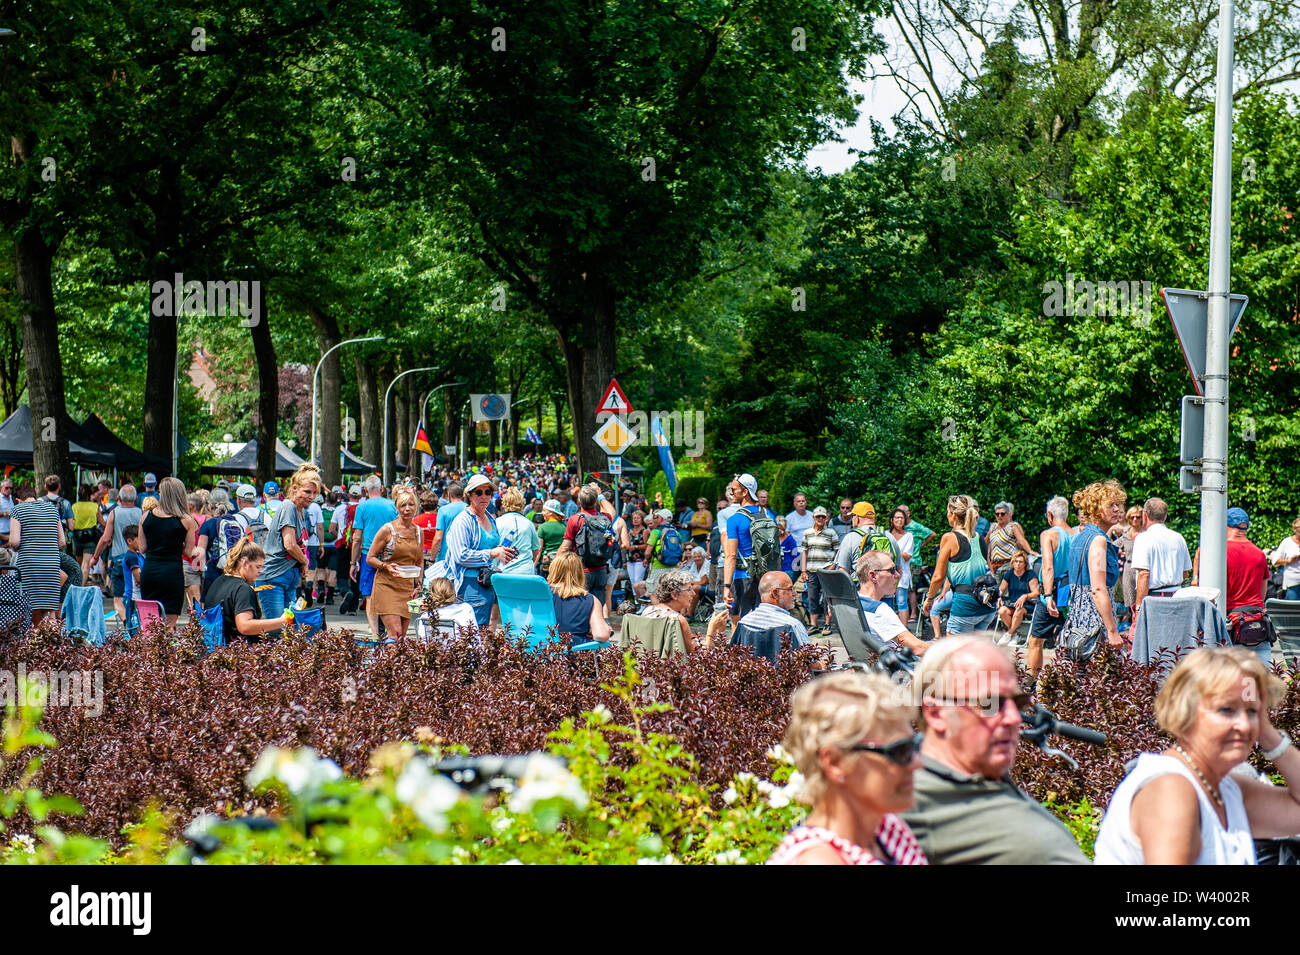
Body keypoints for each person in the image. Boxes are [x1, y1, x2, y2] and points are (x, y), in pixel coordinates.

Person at [1095, 647, 1300, 864]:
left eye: (1251, 712)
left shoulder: (1226, 789)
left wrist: (1267, 732)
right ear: (1186, 712)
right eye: (1226, 710)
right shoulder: (1171, 789)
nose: (1243, 724)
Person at [902, 635, 1089, 864]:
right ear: (936, 713)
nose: (1013, 718)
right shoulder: (901, 801)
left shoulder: (977, 772)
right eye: (991, 703)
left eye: (1018, 704)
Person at [769, 670, 927, 865]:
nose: (917, 762)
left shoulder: (885, 827)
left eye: (915, 744)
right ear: (835, 763)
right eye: (900, 751)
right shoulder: (818, 860)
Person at [432, 473, 517, 627]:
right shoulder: (463, 520)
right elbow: (460, 555)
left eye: (488, 492)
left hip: (486, 581)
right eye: (479, 492)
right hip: (469, 583)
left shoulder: (490, 518)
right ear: (469, 495)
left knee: (483, 630)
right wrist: (492, 553)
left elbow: (491, 547)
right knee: (473, 632)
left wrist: (502, 552)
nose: (484, 496)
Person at [1065, 479, 1126, 653]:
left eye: (1118, 504)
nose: (1117, 509)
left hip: (1077, 618)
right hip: (1095, 620)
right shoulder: (1098, 540)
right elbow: (1098, 589)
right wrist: (1112, 631)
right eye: (1111, 505)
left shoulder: (1080, 537)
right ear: (1096, 509)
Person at [921, 495, 995, 635]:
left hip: (965, 604)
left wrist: (929, 599)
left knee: (954, 652)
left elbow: (938, 576)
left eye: (947, 512)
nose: (947, 515)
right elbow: (988, 568)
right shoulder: (978, 537)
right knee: (975, 653)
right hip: (987, 604)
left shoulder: (949, 537)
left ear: (953, 514)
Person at [257, 465, 321, 624]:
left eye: (315, 492)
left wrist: (302, 563)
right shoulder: (288, 507)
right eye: (307, 491)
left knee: (289, 630)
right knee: (277, 628)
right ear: (295, 488)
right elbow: (290, 544)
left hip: (288, 576)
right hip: (273, 576)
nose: (311, 496)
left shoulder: (302, 511)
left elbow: (299, 545)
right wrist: (305, 561)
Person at [203, 537, 292, 645]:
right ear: (245, 563)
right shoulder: (243, 589)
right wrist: (281, 621)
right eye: (258, 567)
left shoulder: (218, 581)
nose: (260, 571)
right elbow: (244, 626)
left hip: (214, 646)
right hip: (238, 652)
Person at [1024, 495, 1076, 679]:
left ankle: (1031, 682)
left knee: (1036, 640)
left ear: (1050, 515)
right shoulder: (1077, 535)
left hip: (1052, 593)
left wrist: (1047, 596)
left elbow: (1047, 566)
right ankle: (1069, 681)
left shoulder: (1049, 535)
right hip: (1072, 594)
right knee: (1070, 639)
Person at [138, 477, 199, 627]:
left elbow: (142, 548)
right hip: (172, 573)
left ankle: (150, 651)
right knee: (169, 624)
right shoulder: (186, 520)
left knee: (150, 625)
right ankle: (167, 651)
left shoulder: (146, 516)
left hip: (150, 572)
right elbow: (188, 552)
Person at [366, 487, 424, 640]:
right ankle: (388, 663)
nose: (407, 509)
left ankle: (388, 663)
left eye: (411, 505)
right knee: (395, 634)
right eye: (403, 505)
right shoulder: (387, 529)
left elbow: (419, 560)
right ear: (397, 508)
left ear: (416, 506)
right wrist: (386, 566)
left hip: (407, 588)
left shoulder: (418, 531)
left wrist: (419, 583)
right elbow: (370, 558)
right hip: (387, 585)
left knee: (401, 637)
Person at [7, 484, 66, 626]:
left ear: (18, 500)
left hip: (29, 565)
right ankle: (52, 645)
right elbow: (62, 541)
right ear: (34, 496)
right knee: (50, 611)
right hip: (51, 565)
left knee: (27, 608)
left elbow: (14, 541)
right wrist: (47, 548)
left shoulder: (17, 510)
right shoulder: (52, 509)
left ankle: (30, 644)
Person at [350, 475, 399, 636]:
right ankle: (390, 629)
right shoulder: (392, 506)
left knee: (369, 594)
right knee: (390, 592)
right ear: (382, 488)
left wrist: (353, 561)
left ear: (365, 490)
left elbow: (357, 537)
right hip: (390, 554)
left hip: (368, 556)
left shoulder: (362, 508)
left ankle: (375, 632)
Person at [857, 550, 929, 656]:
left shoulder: (854, 603)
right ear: (873, 576)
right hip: (890, 669)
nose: (898, 574)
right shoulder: (879, 610)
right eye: (892, 570)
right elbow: (918, 648)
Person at [90, 484, 142, 624]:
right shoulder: (141, 513)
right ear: (136, 498)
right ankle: (137, 622)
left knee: (118, 599)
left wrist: (95, 558)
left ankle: (127, 622)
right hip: (138, 562)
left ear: (119, 498)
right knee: (137, 596)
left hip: (120, 561)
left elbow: (105, 538)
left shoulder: (115, 513)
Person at [1131, 497, 1191, 613]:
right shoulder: (1178, 537)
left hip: (1154, 599)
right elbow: (1185, 573)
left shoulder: (1143, 538)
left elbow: (1144, 574)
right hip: (1177, 597)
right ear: (1165, 516)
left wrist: (1138, 607)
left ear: (1145, 516)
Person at [723, 472, 770, 621]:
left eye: (734, 489)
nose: (731, 492)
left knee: (741, 622)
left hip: (743, 577)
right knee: (761, 620)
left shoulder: (734, 520)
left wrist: (726, 586)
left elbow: (730, 556)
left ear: (745, 492)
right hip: (765, 577)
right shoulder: (768, 515)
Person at [557, 484, 614, 597]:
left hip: (582, 570)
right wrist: (600, 495)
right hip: (601, 569)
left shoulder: (575, 519)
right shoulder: (604, 518)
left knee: (582, 604)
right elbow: (612, 511)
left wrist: (556, 565)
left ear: (579, 501)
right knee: (599, 605)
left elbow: (565, 547)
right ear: (595, 501)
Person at [638, 568, 712, 654]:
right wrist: (712, 630)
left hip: (648, 663)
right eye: (689, 589)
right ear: (674, 595)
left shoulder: (648, 610)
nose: (693, 593)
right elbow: (698, 654)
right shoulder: (677, 620)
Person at [547, 551, 612, 647]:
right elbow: (601, 635)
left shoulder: (541, 596)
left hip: (541, 653)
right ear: (580, 573)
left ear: (553, 571)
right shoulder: (591, 600)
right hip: (574, 654)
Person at [737, 570, 809, 648]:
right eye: (790, 589)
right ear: (775, 593)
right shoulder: (792, 625)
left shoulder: (744, 622)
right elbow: (808, 657)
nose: (795, 593)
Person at [799, 506, 838, 636]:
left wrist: (833, 565)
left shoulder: (831, 533)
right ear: (813, 518)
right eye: (818, 516)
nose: (820, 519)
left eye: (823, 516)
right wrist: (803, 570)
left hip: (827, 569)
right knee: (812, 597)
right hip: (811, 569)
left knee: (827, 597)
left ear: (826, 518)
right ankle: (814, 625)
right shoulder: (807, 532)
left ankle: (827, 624)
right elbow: (804, 552)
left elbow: (838, 552)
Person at [494, 487, 542, 577]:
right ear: (522, 504)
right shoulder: (528, 524)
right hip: (525, 572)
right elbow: (535, 550)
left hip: (502, 572)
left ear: (504, 504)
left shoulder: (497, 522)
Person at [984, 501, 1037, 574]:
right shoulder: (993, 527)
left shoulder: (1012, 527)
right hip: (995, 566)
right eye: (997, 514)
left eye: (1002, 514)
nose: (999, 516)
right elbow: (985, 542)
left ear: (1008, 514)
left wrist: (1030, 551)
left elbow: (1022, 540)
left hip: (1008, 564)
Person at [996, 551, 1039, 636]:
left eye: (1021, 562)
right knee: (1002, 611)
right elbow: (1001, 590)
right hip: (1013, 603)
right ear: (1012, 563)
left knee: (1019, 610)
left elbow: (1036, 593)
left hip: (1027, 604)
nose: (1018, 564)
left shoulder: (1030, 574)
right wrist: (999, 597)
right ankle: (1015, 634)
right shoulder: (1009, 573)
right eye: (1016, 561)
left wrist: (1025, 596)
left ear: (1025, 564)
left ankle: (1009, 634)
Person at [886, 507, 915, 627]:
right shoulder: (886, 534)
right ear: (892, 520)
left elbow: (907, 556)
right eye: (897, 517)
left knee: (902, 602)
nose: (899, 520)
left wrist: (892, 551)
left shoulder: (909, 536)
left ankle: (903, 631)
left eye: (902, 518)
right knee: (887, 602)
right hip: (887, 574)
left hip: (902, 574)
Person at [1113, 505, 1143, 610]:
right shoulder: (1126, 535)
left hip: (1142, 569)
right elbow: (1111, 546)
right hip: (1129, 568)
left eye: (1138, 517)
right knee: (1130, 600)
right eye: (1132, 517)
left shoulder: (1145, 534)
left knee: (1142, 598)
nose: (1135, 519)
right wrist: (1121, 552)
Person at [431, 482, 466, 563]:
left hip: (446, 557)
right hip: (464, 557)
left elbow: (438, 538)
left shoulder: (443, 510)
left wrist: (432, 559)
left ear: (449, 495)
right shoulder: (469, 509)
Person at [120, 524, 144, 634]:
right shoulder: (131, 557)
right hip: (132, 597)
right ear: (130, 541)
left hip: (138, 596)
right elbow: (138, 577)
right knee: (133, 628)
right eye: (140, 539)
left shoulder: (138, 555)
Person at [72, 484, 99, 582]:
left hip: (77, 538)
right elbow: (102, 522)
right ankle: (81, 587)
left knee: (79, 564)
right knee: (86, 564)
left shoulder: (74, 506)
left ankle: (77, 584)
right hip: (90, 538)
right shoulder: (94, 506)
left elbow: (71, 523)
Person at [1270, 516, 1300, 601]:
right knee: (1293, 610)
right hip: (1293, 583)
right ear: (1295, 530)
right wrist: (1289, 560)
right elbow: (1275, 561)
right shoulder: (1287, 542)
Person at [621, 508, 648, 594]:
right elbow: (626, 544)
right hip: (630, 559)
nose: (635, 520)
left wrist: (636, 547)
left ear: (642, 519)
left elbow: (647, 545)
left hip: (640, 559)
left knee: (638, 581)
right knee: (632, 581)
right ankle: (636, 601)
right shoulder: (630, 531)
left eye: (638, 518)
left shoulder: (645, 531)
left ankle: (641, 601)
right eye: (634, 518)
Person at [413, 491, 439, 563]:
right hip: (436, 554)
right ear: (436, 504)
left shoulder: (416, 520)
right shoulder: (440, 519)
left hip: (421, 554)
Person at [0, 477, 13, 547]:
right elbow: (8, 513)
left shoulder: (10, 497)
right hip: (1, 532)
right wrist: (6, 513)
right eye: (6, 488)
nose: (9, 490)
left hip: (10, 531)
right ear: (1, 487)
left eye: (11, 488)